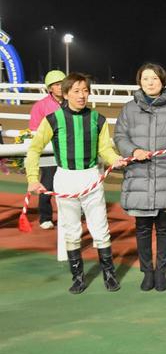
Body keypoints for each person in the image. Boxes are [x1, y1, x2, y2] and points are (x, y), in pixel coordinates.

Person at [26, 72, 126, 294]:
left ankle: (109, 274)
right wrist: (32, 179)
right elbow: (34, 149)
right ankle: (78, 277)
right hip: (65, 178)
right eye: (76, 91)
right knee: (71, 230)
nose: (82, 95)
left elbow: (104, 149)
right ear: (66, 93)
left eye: (85, 91)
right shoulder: (53, 119)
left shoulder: (98, 119)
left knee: (100, 228)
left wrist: (115, 159)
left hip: (91, 177)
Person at [114, 63, 166, 292]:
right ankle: (147, 272)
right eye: (146, 79)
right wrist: (133, 151)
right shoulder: (128, 110)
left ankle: (161, 271)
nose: (150, 82)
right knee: (142, 229)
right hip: (139, 176)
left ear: (162, 81)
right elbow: (120, 136)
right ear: (139, 82)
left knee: (164, 228)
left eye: (154, 78)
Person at [28, 70, 66, 229]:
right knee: (47, 184)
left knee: (69, 184)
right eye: (57, 85)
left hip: (67, 151)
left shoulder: (72, 102)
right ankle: (45, 217)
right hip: (48, 151)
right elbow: (34, 130)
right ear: (50, 88)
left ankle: (71, 215)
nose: (60, 87)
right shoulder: (40, 106)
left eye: (62, 84)